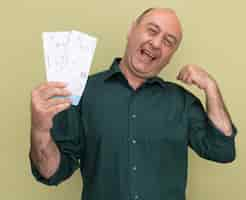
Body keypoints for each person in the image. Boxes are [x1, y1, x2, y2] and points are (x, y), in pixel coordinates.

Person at [29, 7, 237, 200]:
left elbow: (223, 151)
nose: (156, 44)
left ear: (171, 55)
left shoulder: (181, 102)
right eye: (152, 31)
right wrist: (40, 130)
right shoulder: (82, 92)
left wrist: (211, 87)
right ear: (131, 30)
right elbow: (51, 172)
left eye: (168, 41)